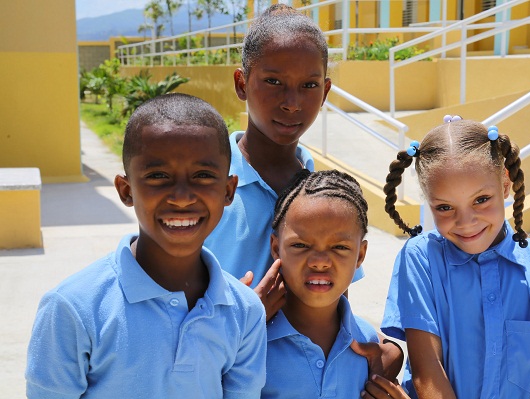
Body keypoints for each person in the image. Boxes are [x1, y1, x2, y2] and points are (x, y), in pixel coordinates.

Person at [25, 93, 267, 399]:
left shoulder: (244, 311)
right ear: (126, 191)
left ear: (229, 191)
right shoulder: (73, 308)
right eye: (158, 176)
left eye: (203, 175)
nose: (182, 197)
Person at [380, 116, 530, 398]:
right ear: (428, 200)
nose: (466, 221)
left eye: (481, 199)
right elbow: (428, 371)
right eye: (445, 207)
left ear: (505, 185)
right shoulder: (420, 258)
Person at [203, 3, 366, 320]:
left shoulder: (327, 194)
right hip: (219, 366)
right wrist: (247, 318)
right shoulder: (204, 186)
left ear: (325, 91)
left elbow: (338, 306)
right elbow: (172, 306)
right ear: (241, 84)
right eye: (274, 82)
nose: (292, 103)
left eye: (309, 85)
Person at [262, 169, 407, 399]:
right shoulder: (253, 341)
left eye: (339, 247)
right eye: (300, 245)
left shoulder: (369, 345)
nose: (320, 262)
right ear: (275, 248)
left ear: (360, 256)